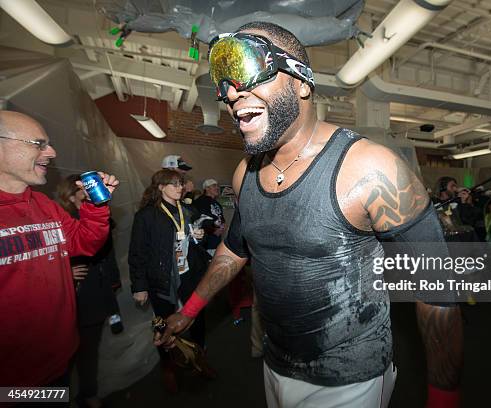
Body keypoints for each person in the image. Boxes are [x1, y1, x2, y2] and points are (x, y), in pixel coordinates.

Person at [157, 23, 462, 408]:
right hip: (276, 365)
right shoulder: (245, 172)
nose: (232, 94)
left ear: (301, 82)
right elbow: (234, 251)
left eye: (250, 69)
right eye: (224, 83)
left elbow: (437, 293)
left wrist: (443, 399)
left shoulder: (371, 168)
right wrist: (188, 312)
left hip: (350, 381)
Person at [0, 111, 118, 387]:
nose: (51, 152)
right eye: (39, 144)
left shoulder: (43, 205)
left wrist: (95, 205)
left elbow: (85, 243)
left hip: (57, 362)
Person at [128, 169, 215, 393]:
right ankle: (168, 367)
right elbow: (137, 252)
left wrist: (199, 238)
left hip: (188, 273)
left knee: (196, 316)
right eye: (173, 184)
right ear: (160, 187)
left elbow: (199, 238)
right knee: (163, 323)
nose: (179, 187)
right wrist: (139, 286)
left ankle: (199, 358)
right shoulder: (147, 215)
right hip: (161, 277)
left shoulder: (188, 209)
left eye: (180, 183)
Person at [56, 174, 121, 408]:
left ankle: (88, 392)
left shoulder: (97, 217)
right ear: (71, 196)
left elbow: (105, 250)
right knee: (62, 356)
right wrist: (64, 272)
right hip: (71, 296)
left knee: (89, 350)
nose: (90, 195)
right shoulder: (60, 220)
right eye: (85, 192)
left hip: (96, 292)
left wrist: (113, 282)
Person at [193, 179, 225, 257]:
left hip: (217, 239)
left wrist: (223, 225)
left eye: (217, 186)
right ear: (206, 188)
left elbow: (220, 217)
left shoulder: (216, 202)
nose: (217, 188)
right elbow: (199, 220)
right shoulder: (200, 201)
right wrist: (213, 230)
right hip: (207, 240)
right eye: (214, 186)